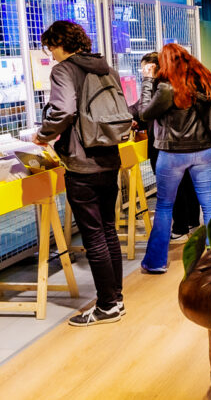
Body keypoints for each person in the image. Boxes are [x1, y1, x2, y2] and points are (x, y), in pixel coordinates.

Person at [35, 21, 126, 326]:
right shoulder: (105, 68)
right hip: (110, 156)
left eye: (52, 47)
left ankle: (107, 305)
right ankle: (116, 297)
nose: (51, 54)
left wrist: (43, 135)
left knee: (94, 235)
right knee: (109, 229)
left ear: (61, 43)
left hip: (81, 160)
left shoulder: (64, 70)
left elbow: (63, 111)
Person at [137, 43, 211, 273]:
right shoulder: (210, 82)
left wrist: (148, 81)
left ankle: (156, 262)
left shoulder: (167, 88)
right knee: (208, 203)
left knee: (165, 206)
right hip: (204, 151)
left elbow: (144, 113)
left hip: (172, 154)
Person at [129, 52, 201, 240]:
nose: (142, 72)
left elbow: (143, 111)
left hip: (165, 145)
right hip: (186, 144)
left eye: (144, 68)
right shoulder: (179, 83)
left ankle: (180, 226)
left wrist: (147, 80)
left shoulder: (158, 87)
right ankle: (192, 220)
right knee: (186, 183)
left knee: (172, 187)